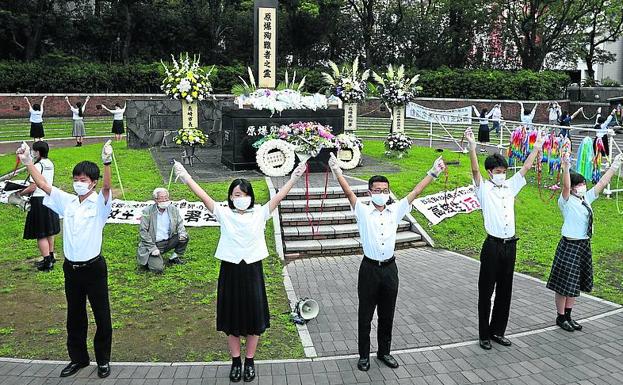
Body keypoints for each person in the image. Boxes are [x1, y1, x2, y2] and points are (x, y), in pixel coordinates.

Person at [172, 159, 307, 383]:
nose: (240, 198)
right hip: (231, 271)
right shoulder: (223, 213)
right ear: (230, 196)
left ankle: (250, 361)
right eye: (236, 194)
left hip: (253, 270)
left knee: (254, 318)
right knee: (232, 319)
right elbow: (203, 196)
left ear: (251, 196)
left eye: (244, 194)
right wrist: (185, 176)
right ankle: (236, 361)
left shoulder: (260, 213)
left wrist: (294, 177)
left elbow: (279, 196)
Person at [328, 152, 446, 372]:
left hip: (390, 269)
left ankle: (384, 352)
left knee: (387, 313)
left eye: (385, 191)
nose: (381, 194)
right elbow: (347, 191)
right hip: (369, 269)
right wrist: (337, 171)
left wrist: (433, 172)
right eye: (377, 191)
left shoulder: (395, 210)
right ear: (369, 192)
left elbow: (416, 191)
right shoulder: (362, 211)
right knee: (365, 315)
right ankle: (364, 355)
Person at [16, 140, 114, 379]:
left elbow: (108, 188)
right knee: (75, 316)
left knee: (101, 315)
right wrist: (29, 162)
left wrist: (107, 162)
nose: (79, 183)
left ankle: (103, 360)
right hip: (71, 268)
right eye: (76, 179)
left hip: (94, 268)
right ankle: (78, 359)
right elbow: (42, 184)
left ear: (93, 182)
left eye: (84, 180)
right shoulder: (67, 201)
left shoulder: (100, 204)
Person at [465, 127, 545, 350]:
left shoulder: (510, 186)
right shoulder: (484, 189)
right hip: (492, 245)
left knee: (505, 290)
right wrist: (472, 147)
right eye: (498, 170)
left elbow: (527, 167)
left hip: (510, 245)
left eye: (504, 170)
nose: (502, 174)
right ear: (490, 172)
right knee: (486, 290)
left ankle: (498, 331)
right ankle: (484, 334)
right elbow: (474, 171)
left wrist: (537, 147)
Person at [546, 152, 622, 332]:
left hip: (583, 245)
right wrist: (565, 166)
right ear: (572, 187)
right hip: (569, 245)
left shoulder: (586, 198)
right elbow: (565, 185)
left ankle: (569, 315)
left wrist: (615, 165)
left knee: (575, 283)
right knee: (564, 284)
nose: (582, 186)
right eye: (578, 184)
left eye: (583, 183)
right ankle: (560, 316)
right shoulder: (565, 201)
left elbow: (602, 183)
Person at [18, 141, 60, 271]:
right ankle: (51, 256)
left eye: (33, 151)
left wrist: (19, 193)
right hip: (50, 197)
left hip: (38, 201)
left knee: (40, 233)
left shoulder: (37, 165)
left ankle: (47, 261)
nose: (32, 153)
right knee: (49, 230)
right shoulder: (50, 163)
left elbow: (33, 186)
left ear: (38, 152)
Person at [137, 187, 188, 273]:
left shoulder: (173, 209)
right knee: (157, 269)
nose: (164, 200)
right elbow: (143, 232)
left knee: (185, 237)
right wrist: (152, 248)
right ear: (155, 200)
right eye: (161, 198)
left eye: (166, 198)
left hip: (168, 241)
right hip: (153, 243)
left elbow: (180, 223)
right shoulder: (147, 211)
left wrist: (182, 233)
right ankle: (149, 257)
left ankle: (174, 257)